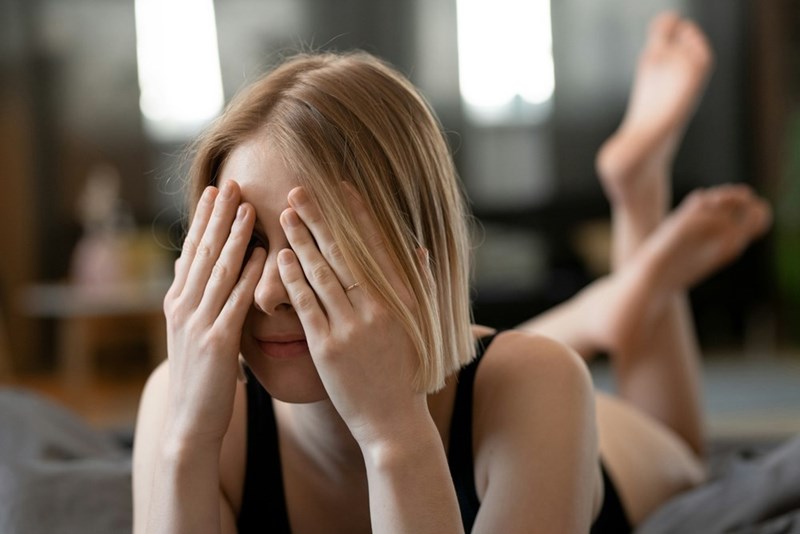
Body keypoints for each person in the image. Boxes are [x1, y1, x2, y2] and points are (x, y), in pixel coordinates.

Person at [132, 11, 772, 533]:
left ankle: (638, 199)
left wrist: (393, 436)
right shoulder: (180, 400)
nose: (271, 291)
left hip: (615, 454)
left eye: (318, 250)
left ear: (419, 254)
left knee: (683, 451)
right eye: (245, 245)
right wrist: (186, 442)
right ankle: (616, 300)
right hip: (459, 358)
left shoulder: (540, 384)